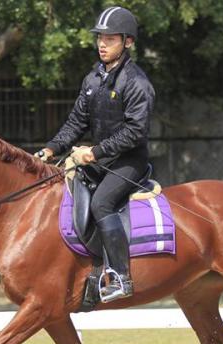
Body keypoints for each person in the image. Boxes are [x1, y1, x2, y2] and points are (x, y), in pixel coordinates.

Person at [37, 6, 155, 302]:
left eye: (110, 39)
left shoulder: (137, 83)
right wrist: (52, 148)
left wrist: (96, 152)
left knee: (102, 204)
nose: (102, 44)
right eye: (100, 38)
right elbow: (77, 122)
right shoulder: (93, 80)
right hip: (100, 159)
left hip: (128, 162)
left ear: (127, 42)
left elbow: (134, 132)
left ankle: (120, 276)